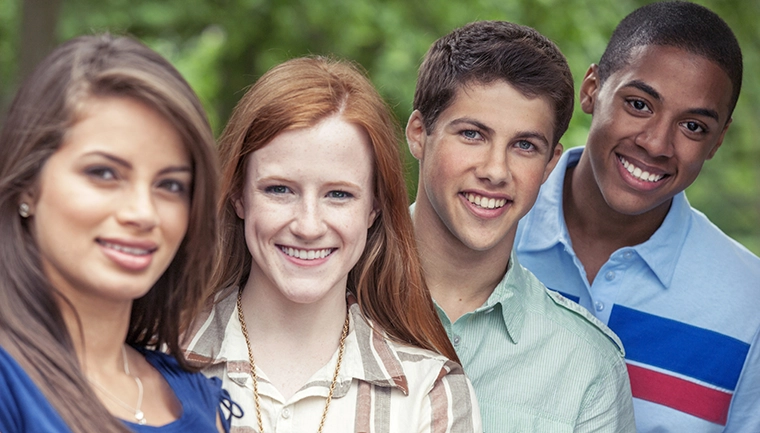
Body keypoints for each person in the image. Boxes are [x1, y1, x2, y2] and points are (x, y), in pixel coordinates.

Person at [183, 56, 482, 432]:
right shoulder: (153, 359)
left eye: (338, 194)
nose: (308, 226)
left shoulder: (431, 395)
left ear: (374, 207)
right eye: (279, 189)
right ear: (239, 196)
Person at [515, 2, 760, 432]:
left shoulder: (750, 304)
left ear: (718, 141)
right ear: (592, 90)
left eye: (693, 127)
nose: (657, 143)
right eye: (639, 104)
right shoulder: (483, 230)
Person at [405, 20, 636, 432]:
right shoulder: (322, 291)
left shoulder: (586, 365)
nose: (496, 171)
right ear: (420, 134)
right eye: (473, 134)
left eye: (524, 146)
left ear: (550, 164)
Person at [0, 34, 237, 433]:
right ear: (28, 185)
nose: (143, 213)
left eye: (170, 185)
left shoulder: (199, 400)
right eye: (104, 173)